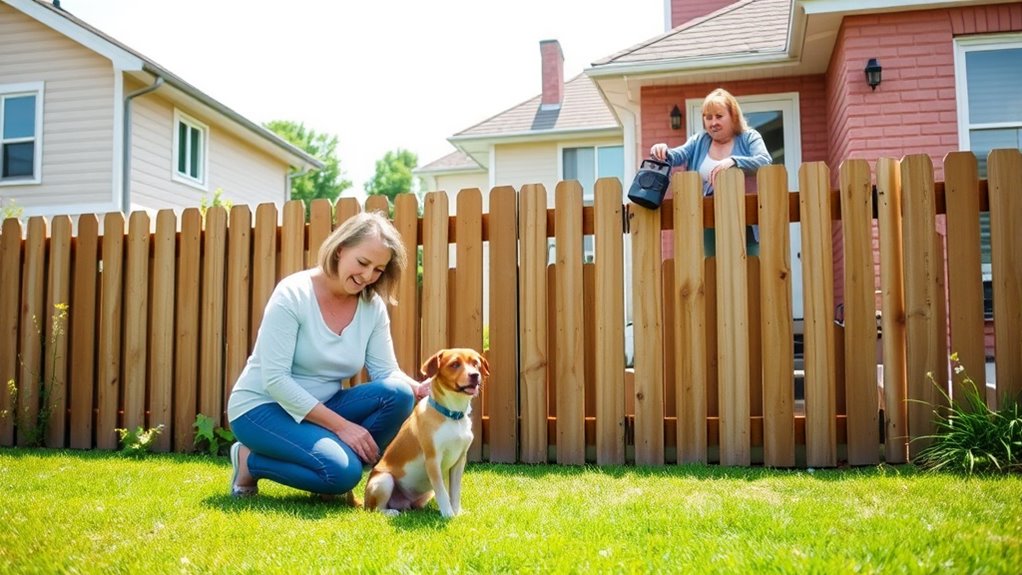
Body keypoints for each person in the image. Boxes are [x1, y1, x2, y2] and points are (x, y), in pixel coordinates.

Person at [226, 211, 428, 500]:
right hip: (262, 407)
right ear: (341, 249)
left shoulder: (371, 306)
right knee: (342, 475)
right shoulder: (293, 293)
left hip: (323, 407)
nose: (368, 276)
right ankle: (249, 461)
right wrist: (344, 428)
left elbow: (386, 372)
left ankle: (330, 461)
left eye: (378, 270)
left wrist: (420, 388)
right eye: (363, 262)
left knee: (399, 394)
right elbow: (275, 380)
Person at [650, 88, 771, 256]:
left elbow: (765, 160)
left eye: (719, 116)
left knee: (748, 272)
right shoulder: (699, 140)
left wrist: (734, 161)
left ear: (733, 116)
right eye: (708, 117)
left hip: (744, 221)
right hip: (706, 222)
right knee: (711, 272)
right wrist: (663, 150)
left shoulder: (749, 137)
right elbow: (677, 155)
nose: (713, 122)